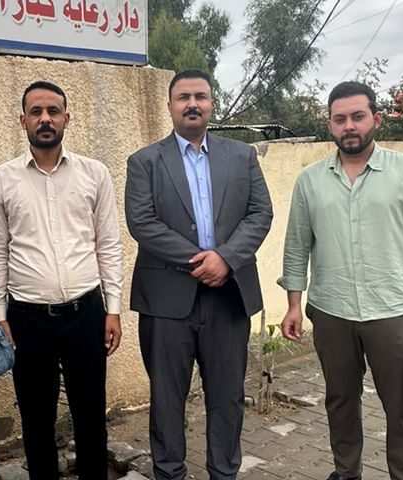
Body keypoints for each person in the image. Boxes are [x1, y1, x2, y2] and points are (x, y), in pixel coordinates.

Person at [278, 81, 403, 480]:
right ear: (329, 125)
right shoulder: (310, 181)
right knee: (340, 402)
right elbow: (297, 245)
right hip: (331, 311)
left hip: (393, 312)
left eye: (358, 116)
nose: (349, 126)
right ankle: (347, 473)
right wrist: (293, 304)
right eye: (340, 118)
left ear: (376, 120)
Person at [124, 69, 274, 480]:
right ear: (170, 106)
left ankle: (223, 473)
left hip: (229, 296)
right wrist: (201, 261)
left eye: (201, 96)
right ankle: (169, 473)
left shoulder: (242, 156)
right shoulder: (144, 162)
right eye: (183, 97)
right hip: (166, 301)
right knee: (166, 399)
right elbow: (142, 222)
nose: (192, 104)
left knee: (227, 398)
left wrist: (226, 259)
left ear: (211, 104)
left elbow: (260, 213)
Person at [0, 81, 124, 480]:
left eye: (53, 111)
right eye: (36, 112)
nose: (45, 119)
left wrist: (113, 309)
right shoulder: (0, 180)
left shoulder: (95, 174)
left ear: (66, 118)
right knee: (36, 421)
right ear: (22, 120)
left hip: (86, 313)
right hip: (27, 319)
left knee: (91, 417)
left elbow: (109, 244)